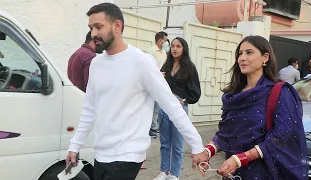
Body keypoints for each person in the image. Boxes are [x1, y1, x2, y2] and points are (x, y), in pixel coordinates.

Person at [65, 3, 208, 180]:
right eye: (91, 28)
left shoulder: (141, 62)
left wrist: (197, 146)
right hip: (101, 154)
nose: (93, 33)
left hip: (127, 156)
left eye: (98, 27)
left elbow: (171, 106)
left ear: (117, 26)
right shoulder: (96, 64)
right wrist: (75, 145)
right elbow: (90, 108)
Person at [198, 36, 308, 180]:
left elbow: (281, 136)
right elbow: (226, 133)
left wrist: (241, 159)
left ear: (265, 57)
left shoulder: (280, 92)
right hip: (233, 172)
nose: (242, 58)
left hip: (264, 172)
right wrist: (207, 152)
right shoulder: (234, 95)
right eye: (240, 53)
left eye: (249, 52)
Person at [154, 37, 201, 180]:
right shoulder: (166, 66)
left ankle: (174, 174)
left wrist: (183, 100)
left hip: (180, 110)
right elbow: (158, 84)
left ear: (183, 48)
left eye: (178, 46)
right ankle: (164, 172)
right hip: (164, 109)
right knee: (165, 142)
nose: (174, 49)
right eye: (172, 46)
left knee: (178, 144)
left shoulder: (189, 68)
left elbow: (195, 92)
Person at [146, 31, 169, 138]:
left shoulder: (164, 52)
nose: (167, 43)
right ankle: (152, 128)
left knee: (158, 106)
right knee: (151, 106)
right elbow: (146, 69)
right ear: (160, 40)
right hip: (152, 82)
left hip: (161, 82)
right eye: (166, 40)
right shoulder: (150, 52)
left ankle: (154, 127)